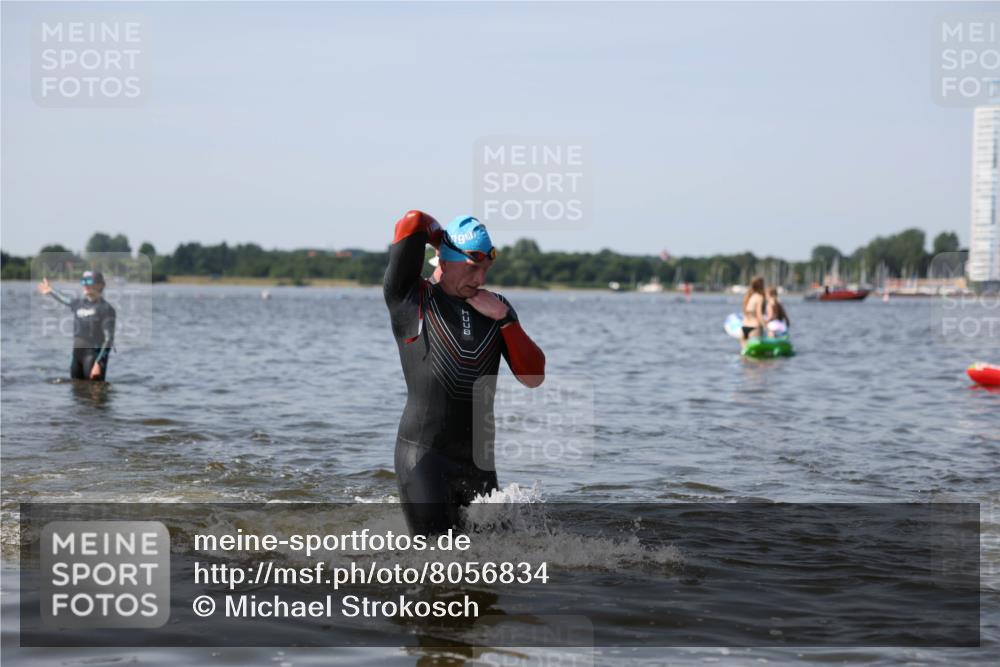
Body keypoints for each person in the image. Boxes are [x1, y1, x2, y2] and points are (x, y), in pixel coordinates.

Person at [384, 211, 546, 535]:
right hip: (424, 459)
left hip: (478, 465)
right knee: (438, 566)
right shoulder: (411, 298)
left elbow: (533, 378)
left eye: (486, 269)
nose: (480, 279)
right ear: (445, 256)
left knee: (495, 565)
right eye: (473, 267)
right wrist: (441, 239)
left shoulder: (496, 307)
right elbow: (413, 221)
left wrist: (505, 319)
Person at [37, 270, 116, 381]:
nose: (85, 285)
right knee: (76, 391)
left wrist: (99, 363)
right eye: (83, 281)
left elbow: (109, 340)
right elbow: (64, 299)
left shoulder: (106, 309)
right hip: (77, 356)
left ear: (100, 285)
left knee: (95, 393)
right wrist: (50, 291)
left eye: (89, 281)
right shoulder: (78, 303)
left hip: (93, 357)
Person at [740, 276, 767, 345]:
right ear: (761, 285)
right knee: (756, 354)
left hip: (744, 327)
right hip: (755, 327)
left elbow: (745, 313)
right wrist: (767, 327)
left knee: (745, 353)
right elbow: (759, 314)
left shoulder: (748, 297)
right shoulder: (760, 297)